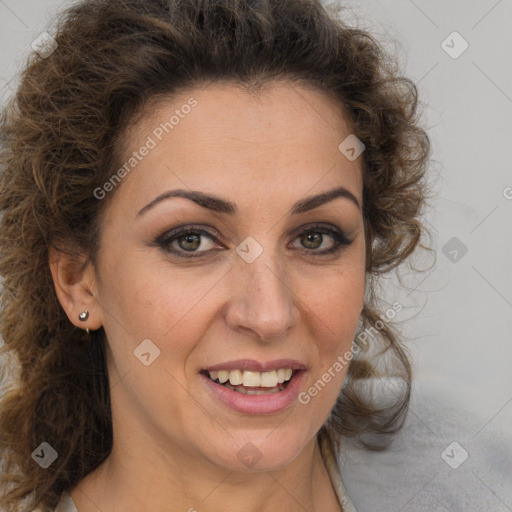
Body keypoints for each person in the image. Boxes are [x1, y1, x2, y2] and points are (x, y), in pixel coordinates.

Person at [0, 0, 431, 510]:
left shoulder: (473, 468)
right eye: (191, 240)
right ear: (77, 279)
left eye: (315, 238)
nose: (269, 314)